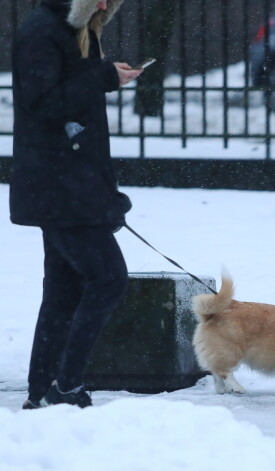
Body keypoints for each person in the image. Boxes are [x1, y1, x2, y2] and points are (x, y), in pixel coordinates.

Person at [10, 0, 143, 409]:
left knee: (64, 290)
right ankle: (63, 387)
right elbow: (42, 103)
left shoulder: (68, 30)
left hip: (69, 186)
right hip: (61, 186)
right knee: (107, 279)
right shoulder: (43, 30)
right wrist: (103, 76)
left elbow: (70, 111)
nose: (104, 5)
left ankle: (46, 390)